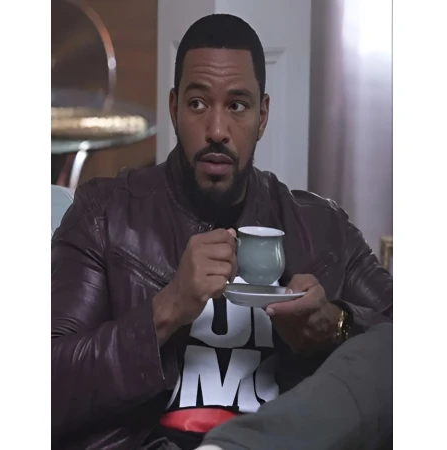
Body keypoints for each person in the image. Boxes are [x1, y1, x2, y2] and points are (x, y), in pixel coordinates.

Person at [51, 14, 393, 450]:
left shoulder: (320, 228)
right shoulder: (106, 214)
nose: (216, 131)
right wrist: (165, 310)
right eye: (197, 104)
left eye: (237, 106)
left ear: (262, 115)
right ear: (174, 108)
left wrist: (337, 325)